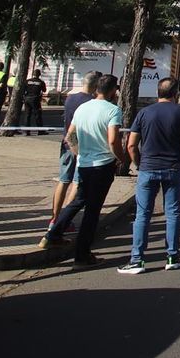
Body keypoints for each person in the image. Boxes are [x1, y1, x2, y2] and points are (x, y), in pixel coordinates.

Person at [40, 74, 126, 266]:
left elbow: (69, 136)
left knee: (78, 200)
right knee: (93, 210)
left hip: (85, 163)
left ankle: (52, 233)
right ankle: (82, 254)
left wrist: (79, 153)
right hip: (103, 165)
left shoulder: (82, 108)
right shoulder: (113, 111)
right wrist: (121, 159)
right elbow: (113, 140)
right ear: (113, 91)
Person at [118, 77, 180, 274]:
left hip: (148, 168)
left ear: (158, 92)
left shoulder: (144, 113)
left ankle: (137, 259)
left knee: (143, 214)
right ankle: (172, 256)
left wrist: (138, 163)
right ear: (176, 93)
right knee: (173, 212)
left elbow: (131, 144)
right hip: (173, 168)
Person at [51, 72, 100, 227]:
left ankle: (54, 217)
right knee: (77, 183)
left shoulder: (70, 98)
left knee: (63, 180)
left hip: (66, 144)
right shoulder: (92, 102)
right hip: (83, 147)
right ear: (96, 85)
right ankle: (66, 219)